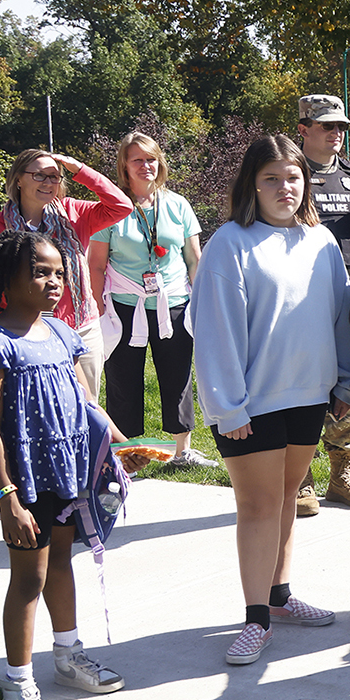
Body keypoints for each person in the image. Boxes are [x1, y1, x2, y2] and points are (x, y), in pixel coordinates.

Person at [186, 134, 350, 666]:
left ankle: (280, 597)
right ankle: (255, 618)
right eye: (271, 179)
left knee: (287, 502)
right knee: (258, 508)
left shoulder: (321, 242)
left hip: (309, 397)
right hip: (248, 405)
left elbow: (338, 315)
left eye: (293, 177)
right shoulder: (229, 243)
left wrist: (343, 382)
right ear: (251, 185)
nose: (285, 188)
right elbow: (213, 331)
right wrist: (228, 406)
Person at [0, 229, 123, 700]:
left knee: (61, 565)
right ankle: (18, 684)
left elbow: (84, 400)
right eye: (40, 272)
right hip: (24, 478)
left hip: (65, 469)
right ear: (8, 280)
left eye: (58, 272)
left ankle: (68, 655)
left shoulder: (61, 332)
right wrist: (7, 494)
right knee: (28, 579)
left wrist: (118, 445)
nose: (54, 282)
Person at [0, 147, 133, 402]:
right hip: (23, 333)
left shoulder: (74, 213)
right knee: (37, 405)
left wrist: (80, 170)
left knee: (86, 406)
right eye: (39, 176)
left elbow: (122, 205)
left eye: (54, 177)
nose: (48, 183)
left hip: (80, 329)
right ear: (18, 179)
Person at [89, 132, 206, 465]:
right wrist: (99, 309)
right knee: (123, 379)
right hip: (125, 305)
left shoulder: (178, 204)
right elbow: (96, 265)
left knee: (178, 376)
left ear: (160, 162)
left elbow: (194, 258)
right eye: (137, 159)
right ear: (124, 166)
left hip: (173, 304)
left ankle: (182, 450)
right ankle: (129, 454)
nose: (146, 165)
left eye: (151, 158)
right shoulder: (110, 207)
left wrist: (200, 302)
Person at [295, 95, 350, 513]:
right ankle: (300, 478)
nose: (336, 134)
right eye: (327, 126)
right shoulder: (287, 173)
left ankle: (341, 473)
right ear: (304, 129)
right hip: (301, 297)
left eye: (341, 127)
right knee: (304, 380)